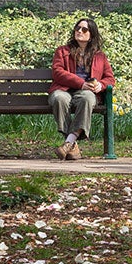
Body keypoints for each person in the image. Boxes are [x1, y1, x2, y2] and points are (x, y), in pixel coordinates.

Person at [49, 17, 112, 160]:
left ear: (91, 35)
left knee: (88, 97)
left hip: (86, 93)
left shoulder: (100, 56)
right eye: (77, 28)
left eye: (84, 29)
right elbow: (58, 72)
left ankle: (68, 143)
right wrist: (81, 83)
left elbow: (110, 79)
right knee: (59, 98)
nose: (79, 31)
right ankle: (72, 143)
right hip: (63, 89)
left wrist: (100, 85)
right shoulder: (62, 51)